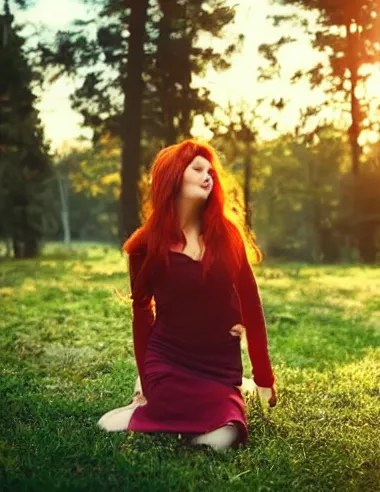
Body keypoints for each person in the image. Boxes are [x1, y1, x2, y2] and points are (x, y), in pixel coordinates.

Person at [98, 139, 277, 450]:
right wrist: (147, 378)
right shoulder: (145, 244)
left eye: (210, 171)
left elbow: (251, 302)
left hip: (217, 366)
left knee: (225, 436)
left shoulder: (227, 235)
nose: (207, 175)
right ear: (173, 175)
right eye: (197, 168)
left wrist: (264, 377)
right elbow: (142, 314)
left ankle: (231, 394)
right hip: (167, 359)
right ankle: (144, 400)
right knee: (107, 425)